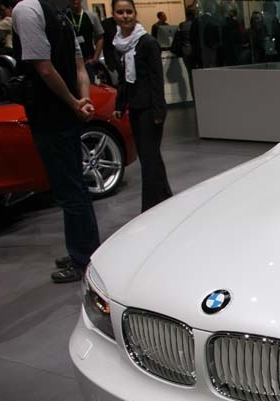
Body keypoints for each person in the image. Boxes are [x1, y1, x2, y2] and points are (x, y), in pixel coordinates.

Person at [12, 0, 100, 282]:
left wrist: (75, 103)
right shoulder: (62, 17)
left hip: (50, 116)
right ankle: (85, 249)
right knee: (76, 186)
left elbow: (45, 68)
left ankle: (82, 259)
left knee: (68, 190)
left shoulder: (26, 10)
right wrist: (83, 100)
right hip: (66, 115)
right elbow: (79, 67)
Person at [111, 0, 172, 213]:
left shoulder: (147, 43)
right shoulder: (119, 44)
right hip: (135, 109)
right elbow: (123, 79)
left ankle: (150, 208)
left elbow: (157, 79)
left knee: (149, 158)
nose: (125, 16)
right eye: (120, 12)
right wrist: (120, 105)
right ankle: (165, 200)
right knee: (149, 158)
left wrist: (159, 110)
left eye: (129, 11)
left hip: (150, 109)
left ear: (135, 13)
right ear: (113, 15)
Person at [65, 0, 103, 79]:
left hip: (88, 61)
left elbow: (100, 38)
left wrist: (95, 59)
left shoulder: (92, 16)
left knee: (90, 85)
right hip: (70, 62)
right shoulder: (64, 17)